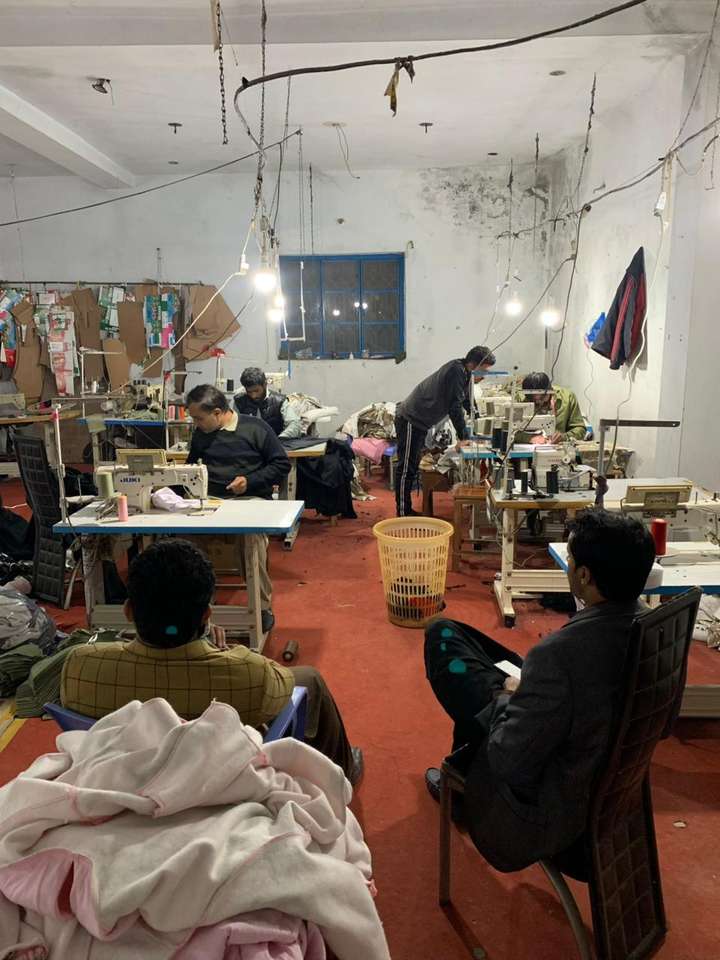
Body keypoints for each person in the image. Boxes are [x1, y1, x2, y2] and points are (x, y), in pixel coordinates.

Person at [424, 509, 655, 872]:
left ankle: (465, 793)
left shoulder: (560, 655)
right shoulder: (653, 630)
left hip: (546, 817)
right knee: (470, 644)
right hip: (609, 798)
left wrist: (510, 696)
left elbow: (506, 758)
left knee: (443, 638)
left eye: (571, 560)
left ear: (584, 575)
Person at [61, 538, 363, 784]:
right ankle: (342, 772)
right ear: (207, 614)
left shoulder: (80, 668)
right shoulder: (250, 675)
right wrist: (222, 652)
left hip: (124, 781)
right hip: (216, 782)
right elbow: (276, 683)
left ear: (128, 611)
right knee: (310, 679)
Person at [185, 383, 291, 634]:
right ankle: (199, 603)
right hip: (211, 500)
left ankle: (261, 606)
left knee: (251, 537)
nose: (196, 424)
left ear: (218, 412)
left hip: (250, 499)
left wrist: (249, 482)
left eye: (199, 418)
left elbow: (281, 464)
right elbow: (191, 466)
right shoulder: (202, 433)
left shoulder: (256, 428)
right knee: (185, 540)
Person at [394, 346, 496, 516]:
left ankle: (405, 510)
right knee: (406, 468)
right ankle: (403, 513)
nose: (485, 375)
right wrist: (464, 437)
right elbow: (454, 407)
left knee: (410, 467)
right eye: (484, 370)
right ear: (474, 365)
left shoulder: (465, 374)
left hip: (421, 422)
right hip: (411, 419)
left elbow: (467, 402)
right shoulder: (456, 371)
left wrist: (478, 419)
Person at [235, 367, 303, 440]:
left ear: (265, 384)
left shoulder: (279, 401)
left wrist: (280, 438)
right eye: (249, 392)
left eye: (256, 391)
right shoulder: (240, 401)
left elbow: (294, 424)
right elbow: (232, 424)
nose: (253, 396)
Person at [518, 371, 585, 443]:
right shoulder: (519, 399)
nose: (539, 402)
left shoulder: (567, 397)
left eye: (542, 398)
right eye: (534, 400)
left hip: (558, 446)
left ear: (550, 390)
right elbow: (510, 431)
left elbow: (580, 429)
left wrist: (564, 437)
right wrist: (529, 438)